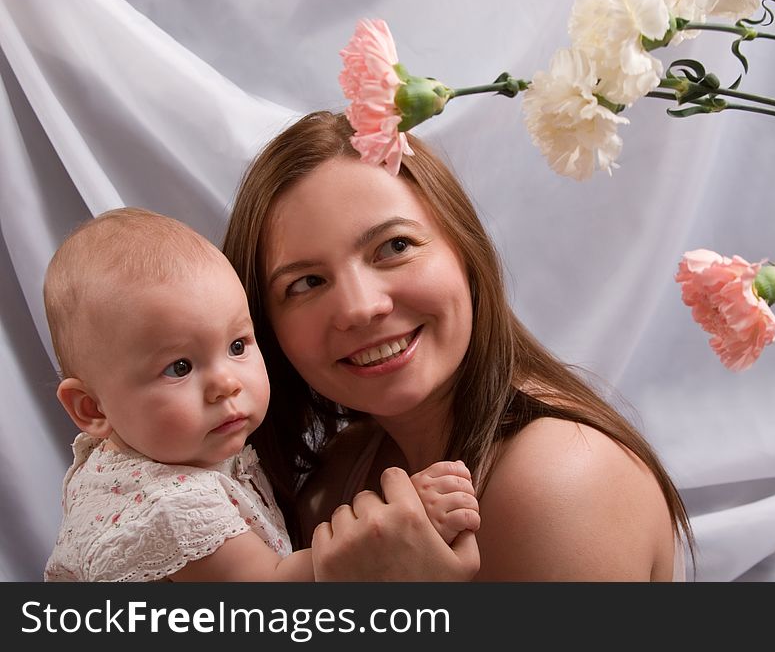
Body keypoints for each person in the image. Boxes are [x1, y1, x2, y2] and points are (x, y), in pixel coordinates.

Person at [222, 111, 695, 581]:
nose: (360, 307)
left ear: (465, 252)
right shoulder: (337, 474)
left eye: (394, 246)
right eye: (306, 282)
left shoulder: (559, 479)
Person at [42, 207, 480, 582]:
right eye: (179, 367)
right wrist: (402, 523)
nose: (226, 384)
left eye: (237, 347)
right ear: (92, 408)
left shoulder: (157, 449)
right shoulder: (170, 509)